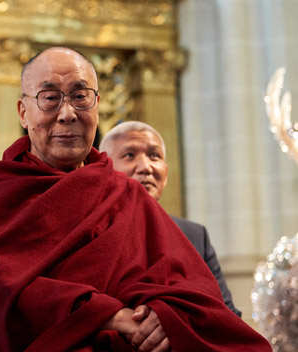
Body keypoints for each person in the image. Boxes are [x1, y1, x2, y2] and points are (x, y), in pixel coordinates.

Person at [0, 47, 269, 352]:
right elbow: (0, 283)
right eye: (50, 98)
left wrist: (164, 317)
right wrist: (111, 317)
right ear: (23, 113)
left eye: (80, 97)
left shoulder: (125, 192)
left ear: (96, 106)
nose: (67, 114)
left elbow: (189, 284)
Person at [99, 121, 242, 317]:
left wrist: (172, 320)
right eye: (129, 155)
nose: (145, 167)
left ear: (165, 174)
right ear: (103, 171)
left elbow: (227, 314)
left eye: (154, 155)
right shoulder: (94, 230)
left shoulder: (194, 236)